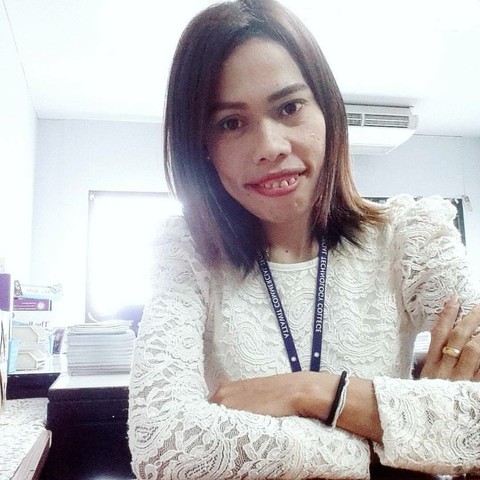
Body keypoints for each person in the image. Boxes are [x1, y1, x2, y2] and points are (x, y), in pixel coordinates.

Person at [128, 0, 480, 478]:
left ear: (328, 111)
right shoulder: (186, 254)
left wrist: (309, 391)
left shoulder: (411, 237)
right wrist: (401, 438)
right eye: (231, 123)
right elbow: (163, 447)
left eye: (289, 108)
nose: (270, 147)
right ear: (201, 147)